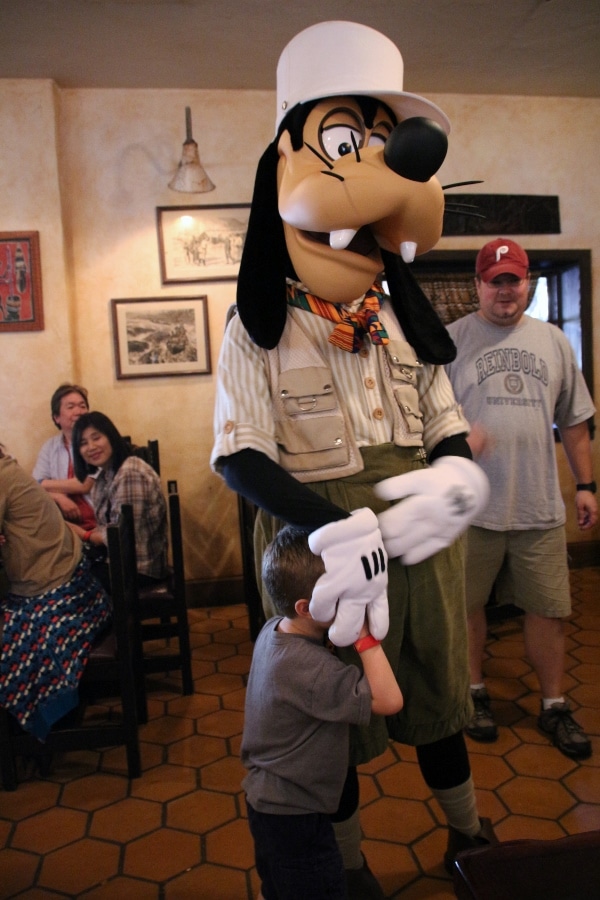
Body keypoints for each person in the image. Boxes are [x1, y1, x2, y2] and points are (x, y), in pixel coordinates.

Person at [212, 21, 496, 893]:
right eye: (346, 145)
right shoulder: (255, 331)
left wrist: (454, 472)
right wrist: (336, 526)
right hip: (318, 552)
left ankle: (471, 834)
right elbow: (239, 454)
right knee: (331, 720)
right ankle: (346, 870)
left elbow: (441, 415)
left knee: (438, 691)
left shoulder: (406, 323)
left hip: (419, 541)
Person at [445, 237, 597, 760]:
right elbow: (423, 422)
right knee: (466, 608)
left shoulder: (554, 342)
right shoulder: (450, 342)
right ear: (478, 285)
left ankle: (554, 703)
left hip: (538, 505)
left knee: (549, 609)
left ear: (526, 283)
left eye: (514, 280)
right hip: (470, 510)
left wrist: (585, 485)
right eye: (495, 281)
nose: (505, 291)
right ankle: (473, 693)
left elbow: (575, 421)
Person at [242, 525, 403, 900]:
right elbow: (389, 701)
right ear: (306, 606)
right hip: (295, 814)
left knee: (279, 887)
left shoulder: (273, 629)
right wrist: (365, 637)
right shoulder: (312, 671)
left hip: (268, 802)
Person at [0, 444, 111, 740]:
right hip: (77, 582)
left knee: (10, 642)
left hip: (62, 592)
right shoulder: (8, 469)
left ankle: (29, 731)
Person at [71, 412, 168, 589]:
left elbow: (122, 535)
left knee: (73, 584)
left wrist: (85, 535)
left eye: (96, 438)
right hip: (120, 562)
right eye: (83, 443)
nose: (91, 447)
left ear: (111, 437)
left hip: (139, 568)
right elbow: (106, 526)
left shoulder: (129, 471)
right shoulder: (105, 475)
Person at [32, 383, 97, 530]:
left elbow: (85, 484)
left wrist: (44, 484)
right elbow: (34, 487)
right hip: (62, 524)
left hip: (98, 520)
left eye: (82, 406)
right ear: (57, 418)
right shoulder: (49, 447)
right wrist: (58, 497)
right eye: (71, 407)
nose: (78, 411)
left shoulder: (96, 443)